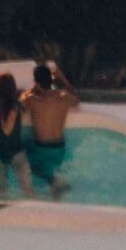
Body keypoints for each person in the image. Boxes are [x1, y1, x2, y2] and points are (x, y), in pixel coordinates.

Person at [22, 60, 79, 196]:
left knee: (22, 155)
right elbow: (76, 100)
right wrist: (62, 78)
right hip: (59, 150)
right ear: (51, 80)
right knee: (45, 169)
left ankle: (55, 182)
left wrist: (32, 89)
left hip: (41, 149)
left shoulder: (32, 100)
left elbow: (19, 104)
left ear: (36, 82)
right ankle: (55, 183)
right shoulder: (64, 97)